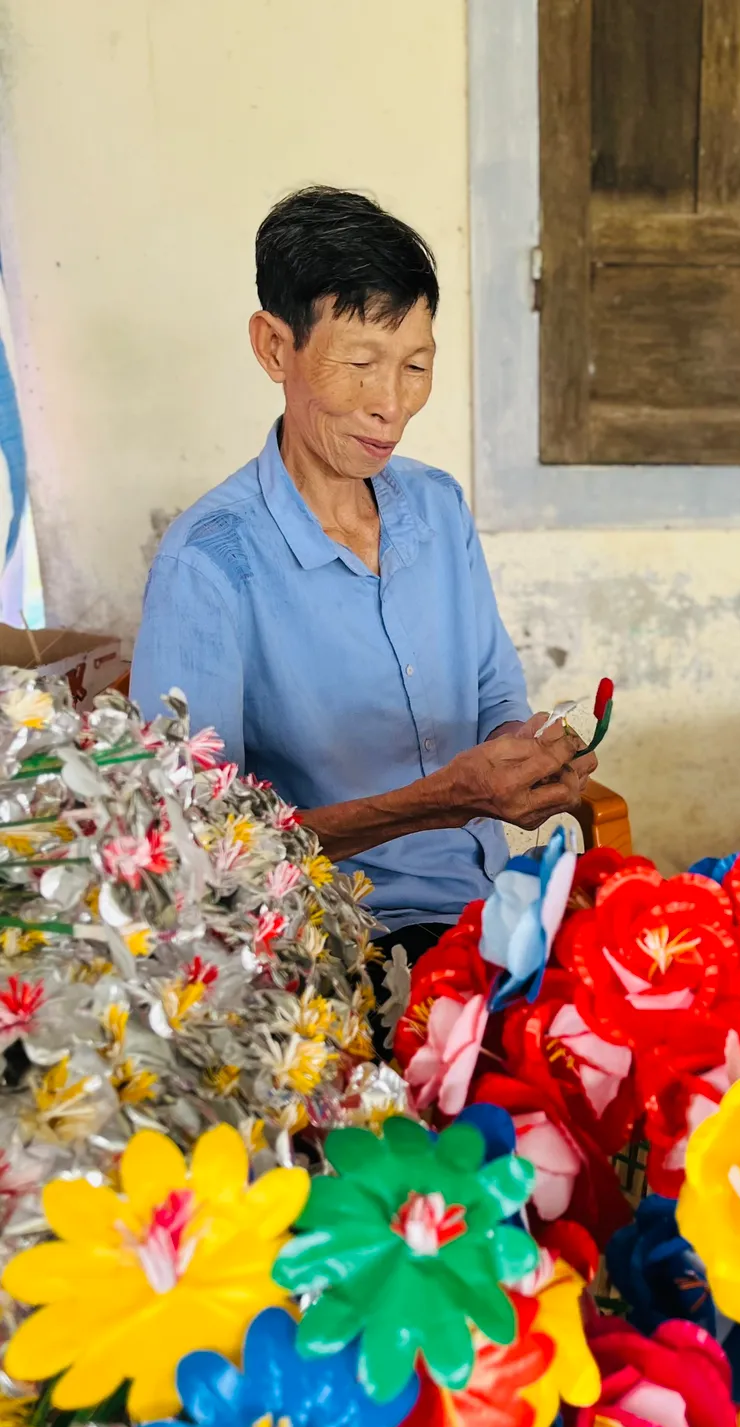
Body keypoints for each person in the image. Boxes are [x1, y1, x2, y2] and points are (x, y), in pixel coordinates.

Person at [132, 186, 596, 972]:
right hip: (337, 942)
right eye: (360, 364)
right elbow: (195, 842)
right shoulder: (209, 564)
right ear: (275, 348)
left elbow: (493, 702)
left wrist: (524, 754)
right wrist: (441, 800)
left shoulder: (438, 508)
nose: (391, 404)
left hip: (494, 903)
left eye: (416, 366)